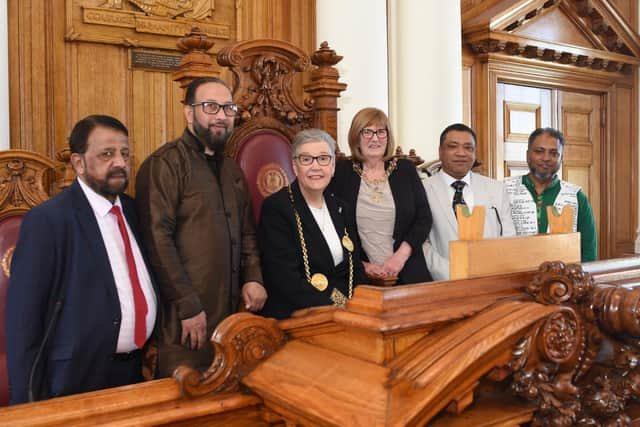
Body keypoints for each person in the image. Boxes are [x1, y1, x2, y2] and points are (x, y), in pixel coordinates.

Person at [6, 115, 157, 404]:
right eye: (106, 154)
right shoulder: (49, 221)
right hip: (74, 380)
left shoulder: (134, 210)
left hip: (134, 374)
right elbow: (23, 323)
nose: (120, 163)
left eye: (125, 154)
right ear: (78, 163)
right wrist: (26, 406)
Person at [135, 77, 266, 377]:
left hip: (232, 317)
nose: (221, 115)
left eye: (228, 108)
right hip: (184, 321)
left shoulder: (232, 170)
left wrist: (254, 278)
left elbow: (247, 233)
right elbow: (158, 240)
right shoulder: (164, 164)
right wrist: (188, 306)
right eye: (210, 107)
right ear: (189, 112)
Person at [259, 129, 366, 319]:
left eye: (324, 158)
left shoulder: (341, 208)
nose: (316, 166)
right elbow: (286, 280)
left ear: (333, 166)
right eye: (306, 159)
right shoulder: (277, 208)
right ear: (294, 166)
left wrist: (357, 305)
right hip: (298, 316)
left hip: (343, 312)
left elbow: (354, 269)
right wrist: (341, 304)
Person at [330, 108, 433, 284]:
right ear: (356, 136)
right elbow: (332, 225)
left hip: (407, 269)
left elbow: (424, 218)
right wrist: (360, 265)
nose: (375, 138)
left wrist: (400, 257)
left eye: (381, 132)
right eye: (367, 132)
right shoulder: (341, 172)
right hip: (359, 275)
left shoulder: (405, 170)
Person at [423, 123, 516, 281]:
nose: (461, 153)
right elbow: (421, 244)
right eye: (453, 146)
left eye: (468, 148)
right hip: (443, 282)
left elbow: (509, 236)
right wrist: (451, 273)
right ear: (440, 152)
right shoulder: (423, 190)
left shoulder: (496, 188)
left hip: (491, 279)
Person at [504, 127, 597, 262]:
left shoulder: (577, 197)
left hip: (562, 279)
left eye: (554, 153)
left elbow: (589, 251)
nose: (546, 158)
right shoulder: (504, 190)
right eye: (539, 151)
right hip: (512, 276)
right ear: (527, 154)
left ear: (561, 158)